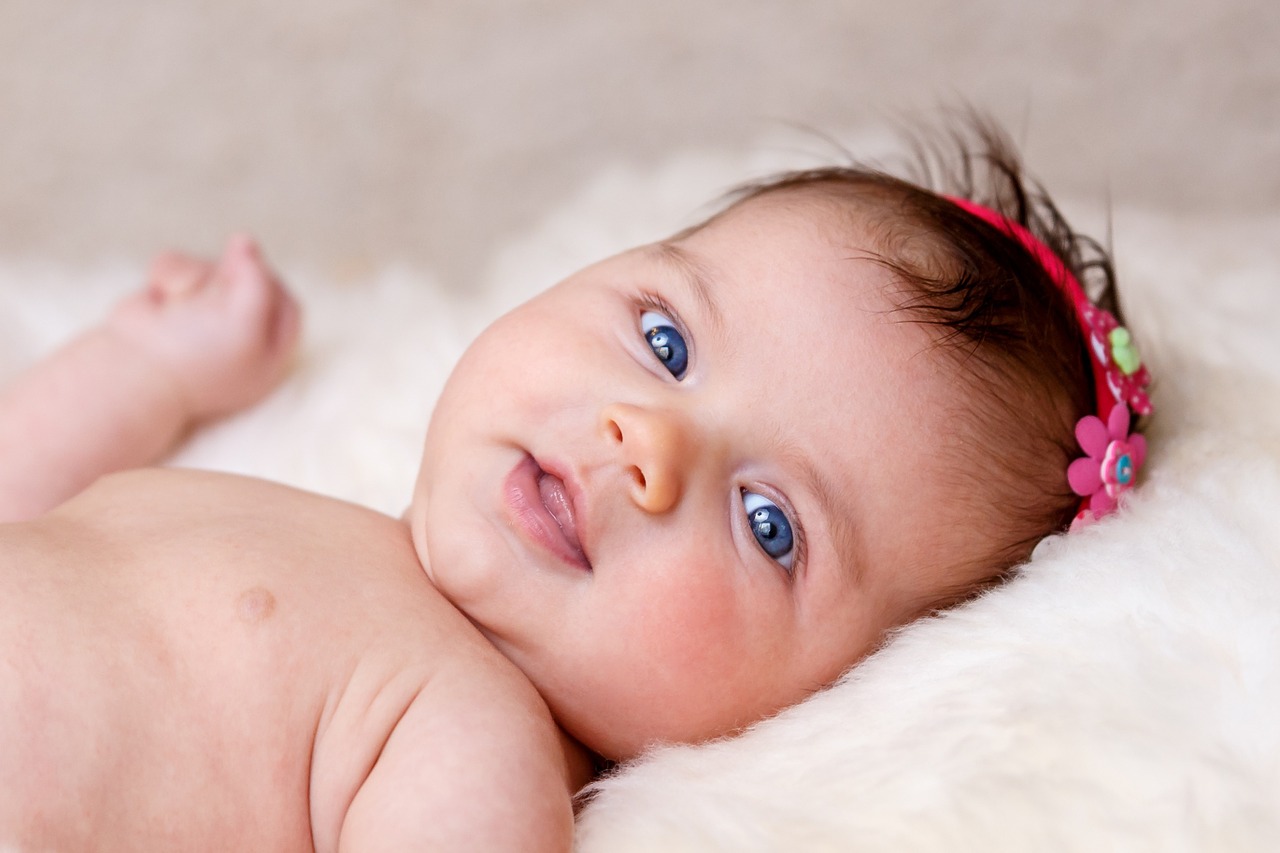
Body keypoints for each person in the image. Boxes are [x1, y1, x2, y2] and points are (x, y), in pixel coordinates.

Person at [0, 118, 1151, 851]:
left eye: (767, 525)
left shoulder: (467, 733)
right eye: (663, 342)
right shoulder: (316, 526)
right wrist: (147, 366)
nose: (644, 441)